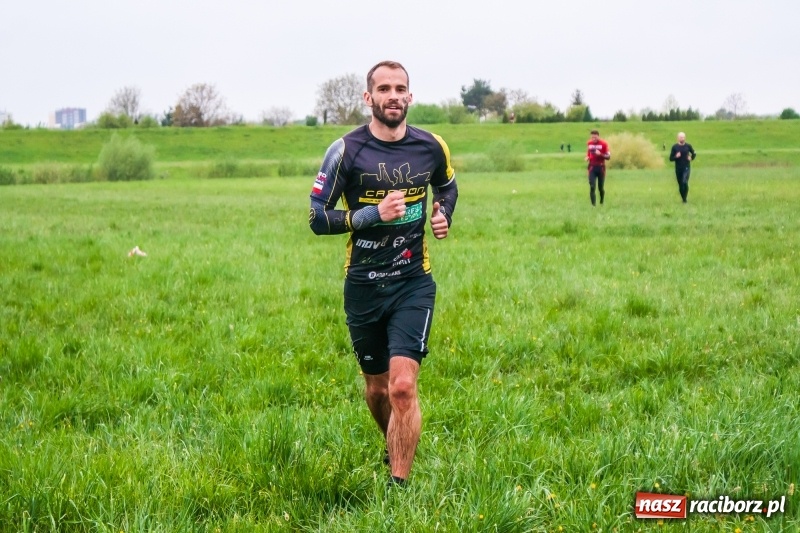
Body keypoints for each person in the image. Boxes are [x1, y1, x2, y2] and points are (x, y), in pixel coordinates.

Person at [308, 60, 458, 487]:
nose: (393, 96)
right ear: (368, 97)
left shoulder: (430, 146)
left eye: (401, 89)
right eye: (384, 89)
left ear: (410, 96)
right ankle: (394, 443)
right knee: (376, 390)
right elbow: (317, 217)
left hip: (413, 281)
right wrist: (373, 213)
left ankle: (399, 485)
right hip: (363, 286)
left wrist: (442, 212)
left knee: (402, 388)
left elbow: (446, 186)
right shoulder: (345, 151)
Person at [669, 132, 696, 203]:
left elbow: (694, 153)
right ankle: (683, 198)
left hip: (686, 167)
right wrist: (676, 157)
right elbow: (670, 158)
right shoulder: (675, 147)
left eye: (683, 137)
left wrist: (691, 157)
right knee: (680, 184)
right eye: (681, 137)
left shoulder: (688, 146)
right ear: (678, 138)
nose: (682, 138)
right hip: (678, 168)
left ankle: (685, 199)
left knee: (684, 182)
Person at [585, 129, 611, 205]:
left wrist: (600, 154)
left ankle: (602, 201)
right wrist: (587, 157)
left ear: (598, 136)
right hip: (592, 167)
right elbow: (589, 153)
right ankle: (593, 205)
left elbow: (608, 157)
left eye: (595, 137)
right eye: (592, 137)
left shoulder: (604, 144)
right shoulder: (589, 143)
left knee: (600, 187)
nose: (593, 139)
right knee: (592, 186)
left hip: (601, 168)